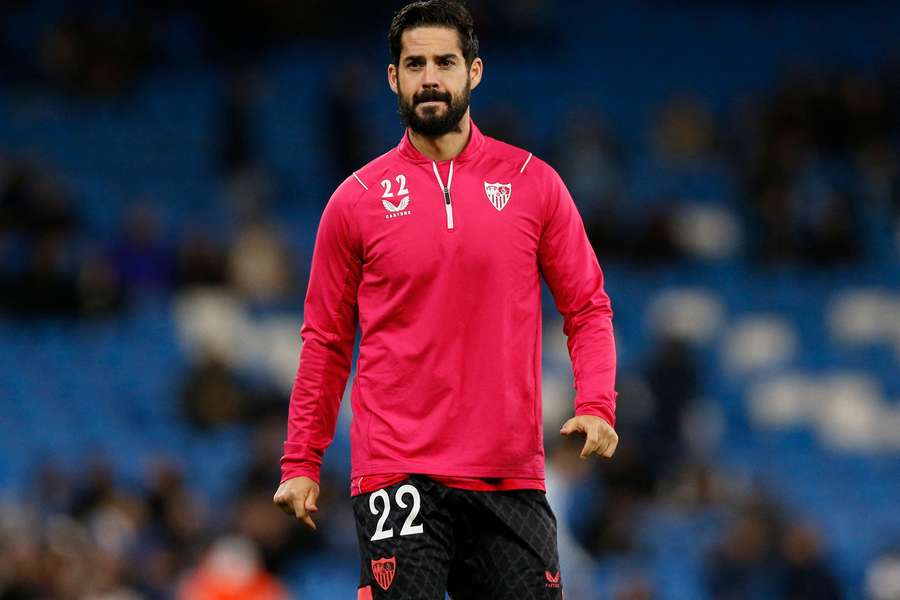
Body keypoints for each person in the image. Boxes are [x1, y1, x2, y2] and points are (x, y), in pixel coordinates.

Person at [273, 1, 618, 598]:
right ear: (393, 78)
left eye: (445, 62)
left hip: (507, 474)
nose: (430, 76)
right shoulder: (354, 202)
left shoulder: (535, 184)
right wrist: (302, 462)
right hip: (396, 476)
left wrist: (598, 401)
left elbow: (587, 306)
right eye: (415, 63)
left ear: (474, 72)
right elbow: (326, 341)